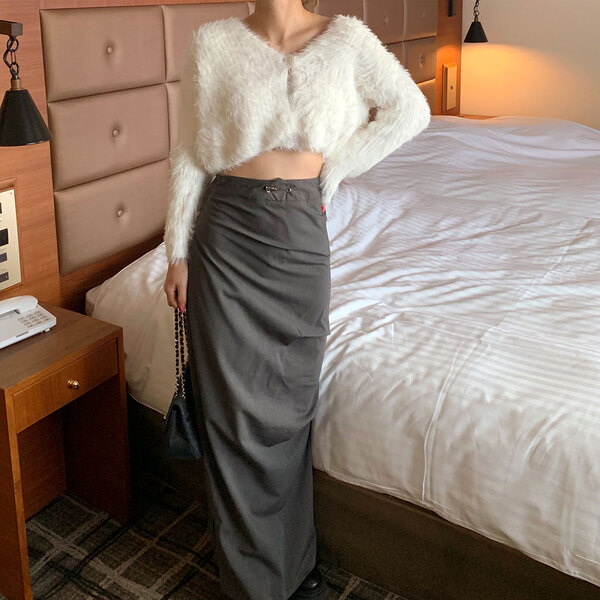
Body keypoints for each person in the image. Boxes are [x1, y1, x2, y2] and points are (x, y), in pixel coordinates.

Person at [162, 0, 431, 598]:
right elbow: (188, 151)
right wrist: (176, 252)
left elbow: (411, 111)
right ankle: (252, 583)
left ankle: (292, 561)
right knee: (231, 416)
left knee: (288, 406)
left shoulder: (347, 39)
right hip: (226, 235)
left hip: (299, 232)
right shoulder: (212, 43)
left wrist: (335, 170)